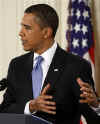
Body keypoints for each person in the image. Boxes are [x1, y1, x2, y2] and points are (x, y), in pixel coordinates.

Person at [0, 4, 100, 124]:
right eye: (22, 27)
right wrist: (31, 106)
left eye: (27, 28)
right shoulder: (17, 65)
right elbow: (4, 112)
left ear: (46, 32)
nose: (21, 33)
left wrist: (96, 106)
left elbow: (92, 118)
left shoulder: (76, 66)